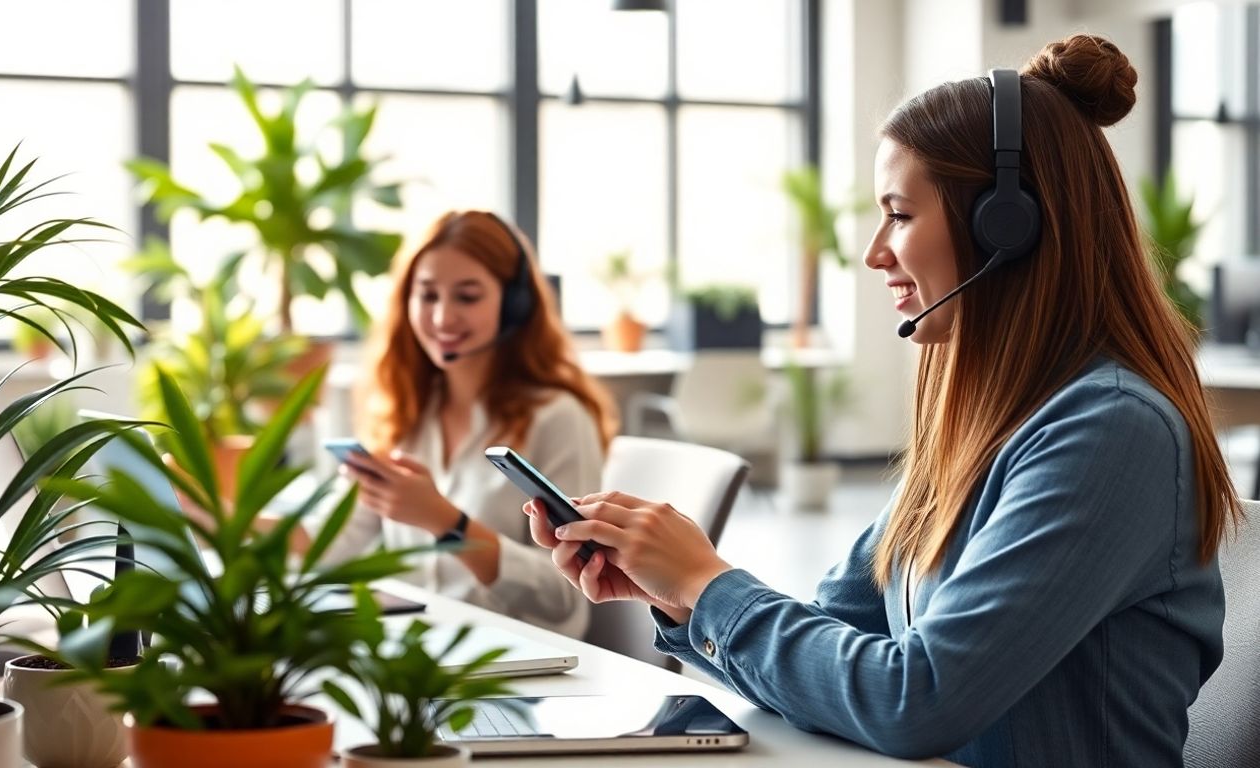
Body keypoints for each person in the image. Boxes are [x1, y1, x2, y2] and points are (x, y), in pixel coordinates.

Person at [527, 34, 1242, 764]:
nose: (874, 252)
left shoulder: (1112, 431)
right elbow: (835, 641)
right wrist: (680, 597)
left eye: (899, 215)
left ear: (1007, 226)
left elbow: (916, 700)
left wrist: (706, 582)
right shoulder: (981, 427)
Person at [313, 209, 617, 639]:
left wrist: (447, 522)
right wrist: (222, 516)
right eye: (427, 296)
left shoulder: (557, 417)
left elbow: (565, 596)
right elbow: (329, 546)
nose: (442, 318)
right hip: (416, 650)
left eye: (467, 297)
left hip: (518, 659)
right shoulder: (405, 410)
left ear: (513, 306)